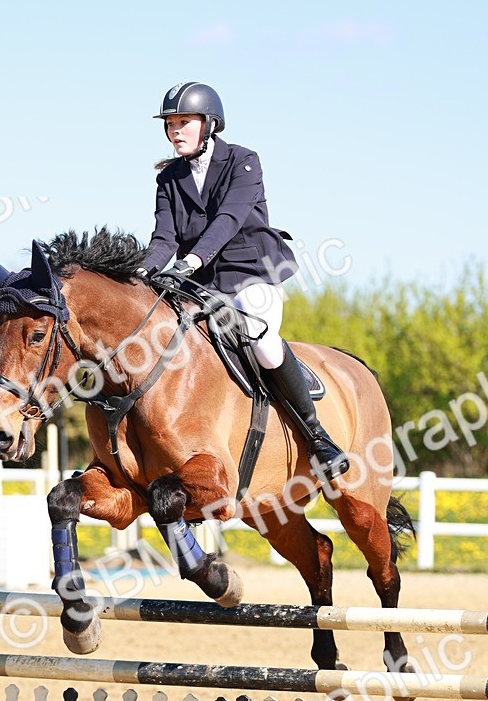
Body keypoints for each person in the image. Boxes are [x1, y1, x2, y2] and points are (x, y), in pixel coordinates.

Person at [139, 81, 349, 480]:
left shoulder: (243, 161)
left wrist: (194, 258)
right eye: (170, 124)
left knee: (264, 344)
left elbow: (228, 220)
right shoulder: (168, 179)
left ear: (210, 123)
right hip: (204, 284)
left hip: (253, 273)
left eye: (184, 122)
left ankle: (317, 434)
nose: (175, 131)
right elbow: (164, 236)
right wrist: (143, 272)